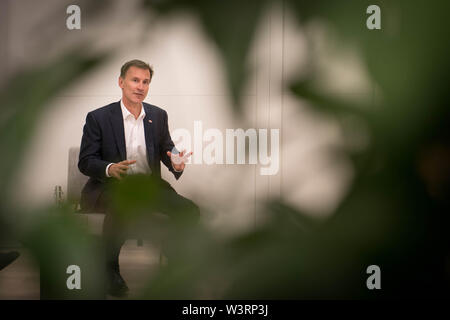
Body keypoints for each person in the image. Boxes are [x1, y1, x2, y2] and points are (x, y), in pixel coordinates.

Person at [78, 59, 199, 297]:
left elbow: (168, 149)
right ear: (121, 82)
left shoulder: (158, 116)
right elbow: (85, 161)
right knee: (123, 203)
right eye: (135, 80)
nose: (140, 86)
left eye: (145, 82)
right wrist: (110, 167)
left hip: (149, 187)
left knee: (190, 210)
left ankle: (175, 270)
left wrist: (175, 161)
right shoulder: (98, 118)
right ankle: (110, 270)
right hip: (111, 186)